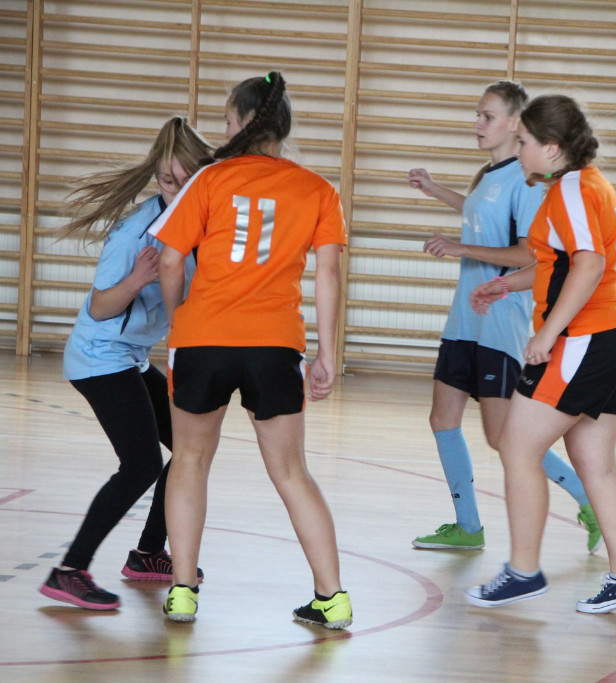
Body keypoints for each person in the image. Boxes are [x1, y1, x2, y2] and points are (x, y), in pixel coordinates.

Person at [150, 71, 351, 629]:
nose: (224, 130)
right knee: (291, 472)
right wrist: (327, 354)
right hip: (275, 345)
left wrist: (177, 317)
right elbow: (329, 274)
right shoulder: (318, 189)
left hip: (203, 339)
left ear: (242, 123)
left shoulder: (209, 180)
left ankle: (183, 592)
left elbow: (169, 259)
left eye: (226, 120)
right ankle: (332, 597)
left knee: (189, 461)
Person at [464, 94, 616, 614]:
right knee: (596, 464)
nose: (518, 151)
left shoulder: (570, 189)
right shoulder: (589, 185)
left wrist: (548, 335)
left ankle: (523, 572)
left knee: (516, 447)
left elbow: (588, 265)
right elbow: (562, 265)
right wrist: (507, 285)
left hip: (585, 339)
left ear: (551, 148)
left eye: (523, 142)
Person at [406, 81, 601, 554]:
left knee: (501, 436)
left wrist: (460, 248)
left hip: (498, 319)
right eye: (477, 114)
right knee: (442, 418)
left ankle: (588, 499)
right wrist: (436, 191)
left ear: (516, 123)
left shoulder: (525, 181)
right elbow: (481, 213)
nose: (478, 123)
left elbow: (528, 255)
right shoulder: (489, 177)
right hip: (464, 319)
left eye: (487, 116)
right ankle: (468, 526)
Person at [39, 117, 211, 610]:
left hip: (131, 357)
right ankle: (68, 570)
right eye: (166, 181)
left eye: (184, 181)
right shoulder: (135, 233)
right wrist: (136, 280)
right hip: (100, 356)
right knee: (140, 465)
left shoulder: (199, 222)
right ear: (157, 177)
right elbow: (99, 308)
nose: (174, 190)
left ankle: (148, 554)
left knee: (190, 449)